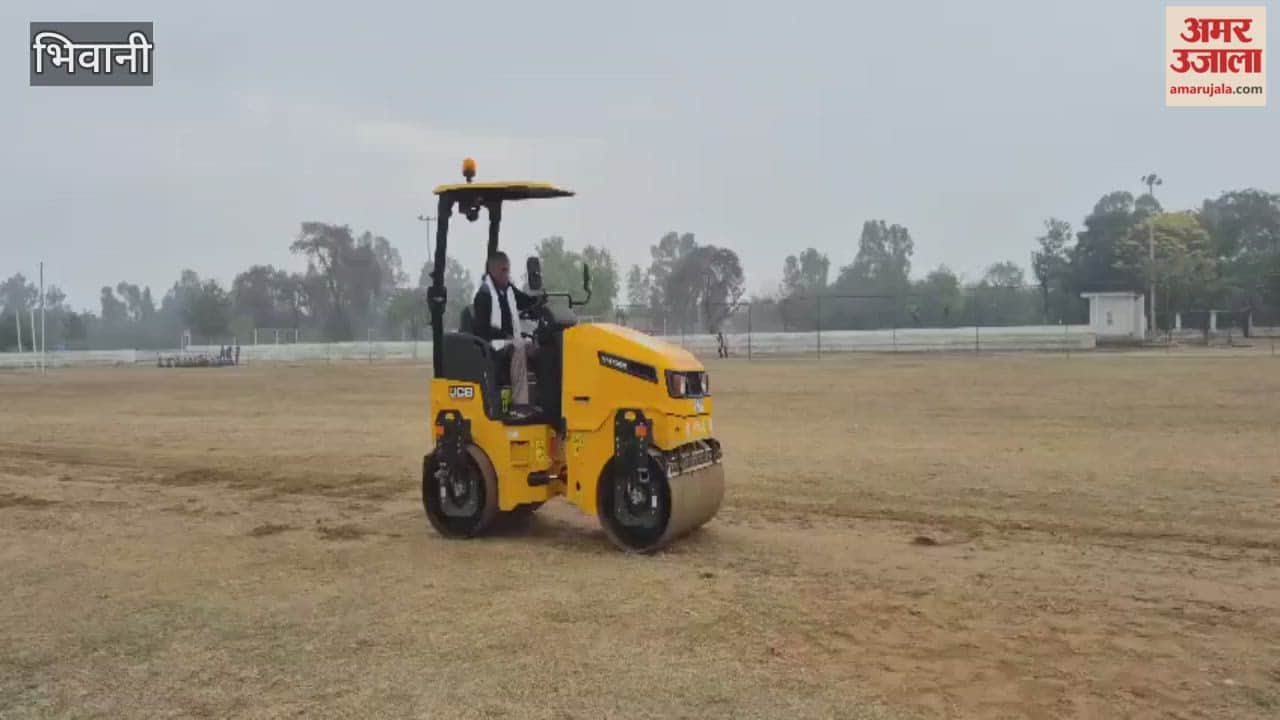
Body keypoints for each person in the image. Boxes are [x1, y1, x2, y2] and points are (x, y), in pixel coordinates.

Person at [472, 252, 542, 407]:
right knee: (519, 348)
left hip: (509, 341)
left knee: (537, 349)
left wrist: (540, 302)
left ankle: (542, 401)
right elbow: (481, 329)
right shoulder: (483, 295)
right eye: (504, 270)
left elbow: (526, 301)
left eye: (508, 270)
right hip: (492, 343)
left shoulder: (508, 291)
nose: (507, 274)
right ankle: (521, 404)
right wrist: (507, 336)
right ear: (493, 270)